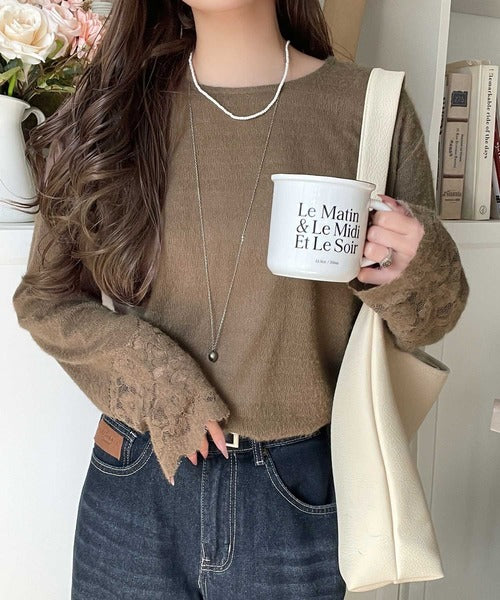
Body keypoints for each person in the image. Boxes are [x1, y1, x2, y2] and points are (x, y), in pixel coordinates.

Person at [11, 1, 469, 598]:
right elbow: (45, 298)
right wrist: (156, 378)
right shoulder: (109, 107)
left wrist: (415, 264)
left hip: (296, 499)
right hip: (137, 482)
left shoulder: (371, 108)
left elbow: (429, 323)